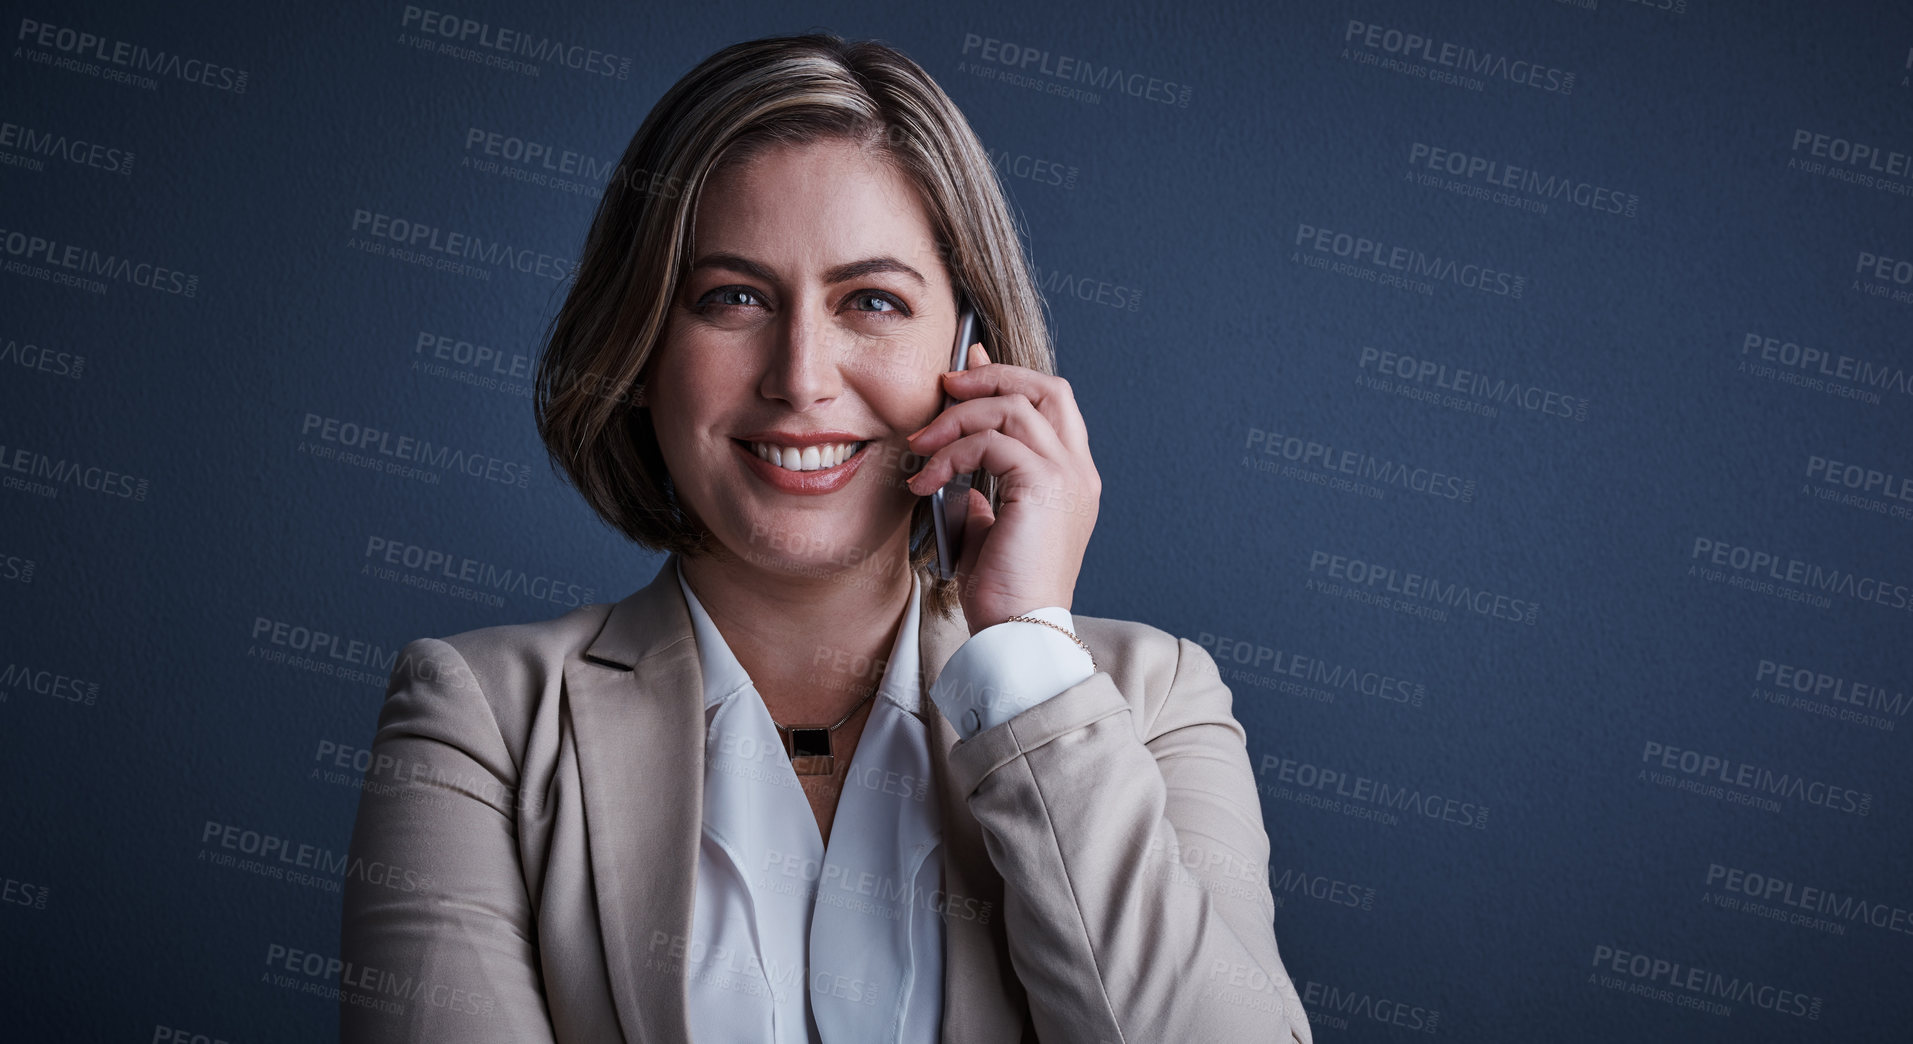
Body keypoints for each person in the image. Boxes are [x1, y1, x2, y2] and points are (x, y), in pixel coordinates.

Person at [340, 31, 1310, 1044]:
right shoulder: (479, 722)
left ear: (972, 353)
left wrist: (1025, 659)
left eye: (872, 302)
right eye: (733, 299)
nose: (799, 377)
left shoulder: (1153, 701)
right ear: (640, 348)